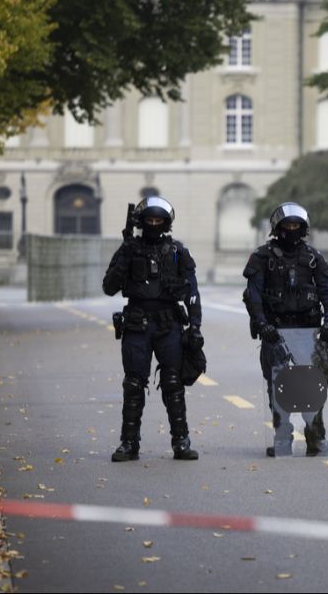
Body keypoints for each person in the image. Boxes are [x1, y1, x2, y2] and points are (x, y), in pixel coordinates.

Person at [103, 196, 203, 462]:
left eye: (159, 220)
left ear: (166, 223)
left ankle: (181, 442)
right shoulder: (129, 249)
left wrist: (195, 327)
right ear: (141, 221)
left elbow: (192, 292)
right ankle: (128, 443)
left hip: (169, 323)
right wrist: (125, 255)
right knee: (133, 384)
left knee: (173, 383)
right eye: (150, 219)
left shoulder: (177, 251)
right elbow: (109, 287)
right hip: (137, 323)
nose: (154, 224)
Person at [243, 202, 328, 456]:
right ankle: (282, 438)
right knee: (278, 386)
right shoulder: (262, 257)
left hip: (308, 331)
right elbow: (253, 296)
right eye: (288, 225)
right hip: (276, 332)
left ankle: (316, 438)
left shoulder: (313, 258)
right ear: (278, 228)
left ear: (303, 228)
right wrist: (262, 324)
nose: (292, 230)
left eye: (297, 225)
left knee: (314, 384)